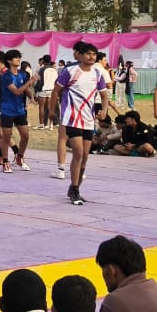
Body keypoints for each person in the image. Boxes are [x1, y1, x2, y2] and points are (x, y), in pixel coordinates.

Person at [50, 42, 110, 206]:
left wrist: (104, 110)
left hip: (88, 120)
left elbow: (104, 95)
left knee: (85, 156)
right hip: (72, 118)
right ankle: (75, 189)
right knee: (78, 153)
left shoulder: (97, 73)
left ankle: (74, 188)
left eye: (94, 54)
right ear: (80, 55)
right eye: (88, 54)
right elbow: (56, 91)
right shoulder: (70, 71)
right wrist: (52, 111)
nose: (91, 57)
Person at [0, 50, 32, 173]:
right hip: (7, 110)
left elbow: (25, 89)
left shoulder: (23, 74)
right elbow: (17, 91)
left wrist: (32, 97)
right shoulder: (6, 76)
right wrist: (30, 82)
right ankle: (5, 162)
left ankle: (19, 157)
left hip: (20, 110)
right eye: (16, 58)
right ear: (9, 61)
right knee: (6, 137)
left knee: (25, 135)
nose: (18, 59)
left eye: (19, 57)